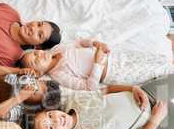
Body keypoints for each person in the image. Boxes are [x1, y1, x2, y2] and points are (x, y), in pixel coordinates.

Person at [23, 76, 174, 129]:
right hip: (154, 118)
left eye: (50, 115)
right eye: (50, 127)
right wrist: (156, 119)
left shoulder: (73, 100)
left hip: (146, 93)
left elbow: (107, 89)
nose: (56, 120)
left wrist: (133, 88)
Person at [19, 39, 174, 90]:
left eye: (34, 53)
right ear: (38, 73)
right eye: (35, 61)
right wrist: (98, 63)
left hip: (115, 56)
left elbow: (79, 42)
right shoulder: (58, 75)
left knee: (155, 59)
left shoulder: (57, 49)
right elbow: (89, 87)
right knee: (156, 72)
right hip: (114, 72)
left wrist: (94, 42)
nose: (38, 55)